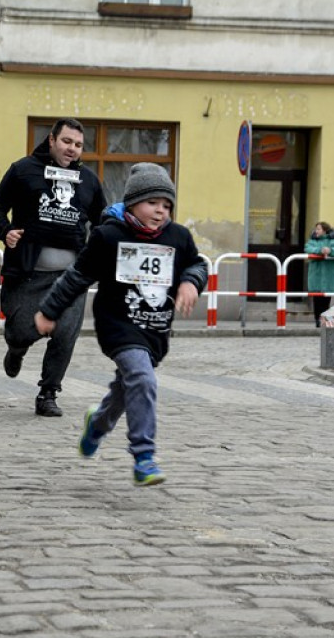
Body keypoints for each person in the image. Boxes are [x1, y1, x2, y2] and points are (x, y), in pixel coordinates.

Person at [34, 163, 207, 486]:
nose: (160, 211)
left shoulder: (177, 237)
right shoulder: (108, 236)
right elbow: (77, 277)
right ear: (132, 203)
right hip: (118, 324)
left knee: (129, 386)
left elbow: (196, 265)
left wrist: (191, 283)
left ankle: (97, 425)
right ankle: (144, 457)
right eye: (152, 203)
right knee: (142, 379)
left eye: (166, 205)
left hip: (154, 328)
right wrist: (49, 311)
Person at [0, 118, 107, 417]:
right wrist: (5, 231)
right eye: (67, 142)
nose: (72, 149)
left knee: (66, 332)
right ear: (52, 140)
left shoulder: (89, 181)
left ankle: (48, 393)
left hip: (71, 276)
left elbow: (102, 220)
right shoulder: (23, 170)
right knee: (19, 331)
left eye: (78, 145)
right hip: (27, 273)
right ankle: (16, 349)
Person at [304, 221, 334, 327]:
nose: (316, 231)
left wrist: (330, 250)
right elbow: (308, 249)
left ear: (325, 230)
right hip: (316, 275)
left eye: (318, 229)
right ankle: (317, 320)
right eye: (316, 229)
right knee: (317, 299)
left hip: (330, 276)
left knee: (326, 299)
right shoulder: (313, 241)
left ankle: (324, 319)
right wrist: (320, 250)